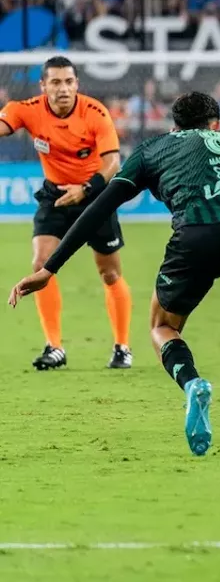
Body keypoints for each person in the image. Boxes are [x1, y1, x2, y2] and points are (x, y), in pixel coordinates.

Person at [8, 92, 220, 456]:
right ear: (217, 125)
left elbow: (99, 207)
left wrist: (50, 268)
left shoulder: (154, 149)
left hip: (195, 236)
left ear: (174, 126)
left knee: (162, 326)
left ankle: (193, 383)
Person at [0, 56, 134, 370]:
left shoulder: (95, 112)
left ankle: (122, 346)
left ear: (77, 84)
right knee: (40, 264)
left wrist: (85, 189)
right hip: (55, 195)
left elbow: (113, 164)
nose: (64, 89)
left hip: (95, 196)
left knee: (110, 273)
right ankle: (54, 347)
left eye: (69, 82)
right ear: (43, 85)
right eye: (56, 82)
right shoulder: (28, 109)